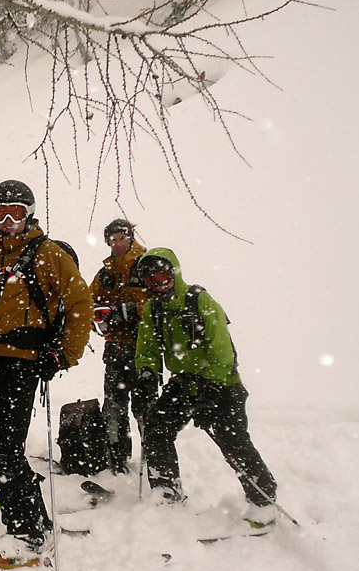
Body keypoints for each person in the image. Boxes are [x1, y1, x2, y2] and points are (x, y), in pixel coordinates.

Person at [0, 180, 93, 567]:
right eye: (1, 213)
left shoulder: (48, 254)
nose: (9, 220)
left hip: (21, 361)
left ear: (29, 213)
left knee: (2, 452)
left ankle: (30, 533)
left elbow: (80, 302)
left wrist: (63, 355)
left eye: (16, 211)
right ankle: (34, 520)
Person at [133, 247, 279, 528]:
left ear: (174, 273)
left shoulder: (199, 300)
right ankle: (167, 492)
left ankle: (264, 500)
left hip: (222, 382)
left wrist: (211, 389)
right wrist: (147, 375)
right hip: (183, 382)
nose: (158, 284)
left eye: (162, 276)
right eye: (150, 280)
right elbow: (147, 348)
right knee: (156, 428)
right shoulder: (154, 308)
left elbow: (222, 350)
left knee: (231, 439)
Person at [88, 218, 150, 473]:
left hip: (144, 349)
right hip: (115, 349)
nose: (117, 244)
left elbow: (159, 303)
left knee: (145, 408)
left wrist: (129, 311)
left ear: (131, 237)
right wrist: (100, 319)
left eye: (121, 238)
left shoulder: (148, 265)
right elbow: (87, 307)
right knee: (113, 408)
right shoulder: (105, 273)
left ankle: (154, 461)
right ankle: (116, 461)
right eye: (112, 240)